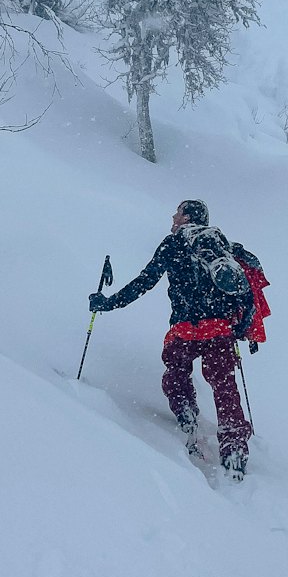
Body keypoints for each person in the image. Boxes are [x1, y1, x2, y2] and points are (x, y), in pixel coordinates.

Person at [89, 200, 258, 479]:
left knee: (176, 375)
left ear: (188, 217)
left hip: (185, 329)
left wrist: (108, 303)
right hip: (219, 329)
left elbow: (144, 282)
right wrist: (244, 326)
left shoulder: (173, 244)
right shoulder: (222, 245)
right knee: (224, 386)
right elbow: (245, 287)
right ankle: (234, 447)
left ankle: (187, 416)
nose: (173, 216)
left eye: (178, 212)